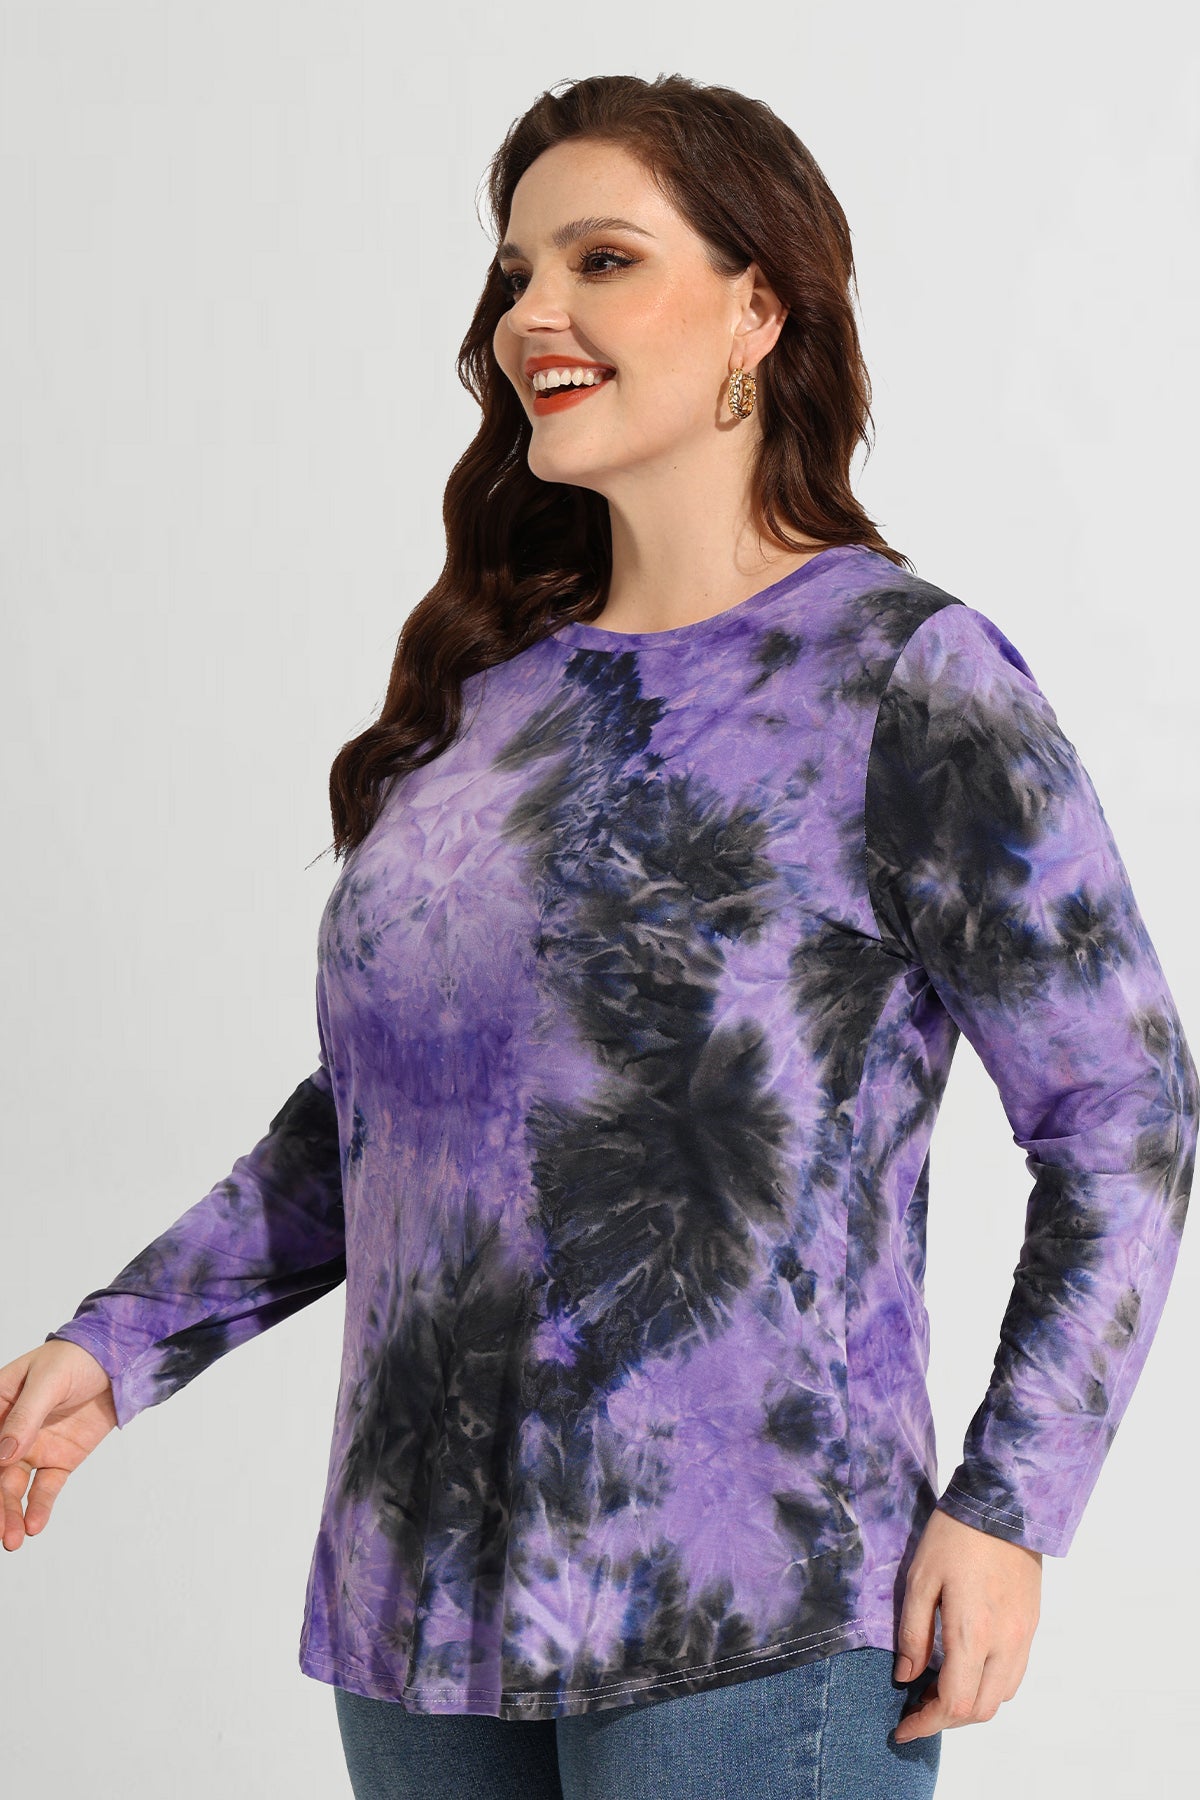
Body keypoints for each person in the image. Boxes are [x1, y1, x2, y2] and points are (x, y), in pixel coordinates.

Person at [2, 72, 1195, 1800]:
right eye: (514, 274)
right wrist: (118, 1344)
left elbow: (1124, 1116)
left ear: (756, 311)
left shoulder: (901, 681)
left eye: (601, 260)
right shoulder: (487, 704)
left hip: (751, 1613)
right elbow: (383, 1119)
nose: (530, 315)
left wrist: (1012, 1507)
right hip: (419, 1614)